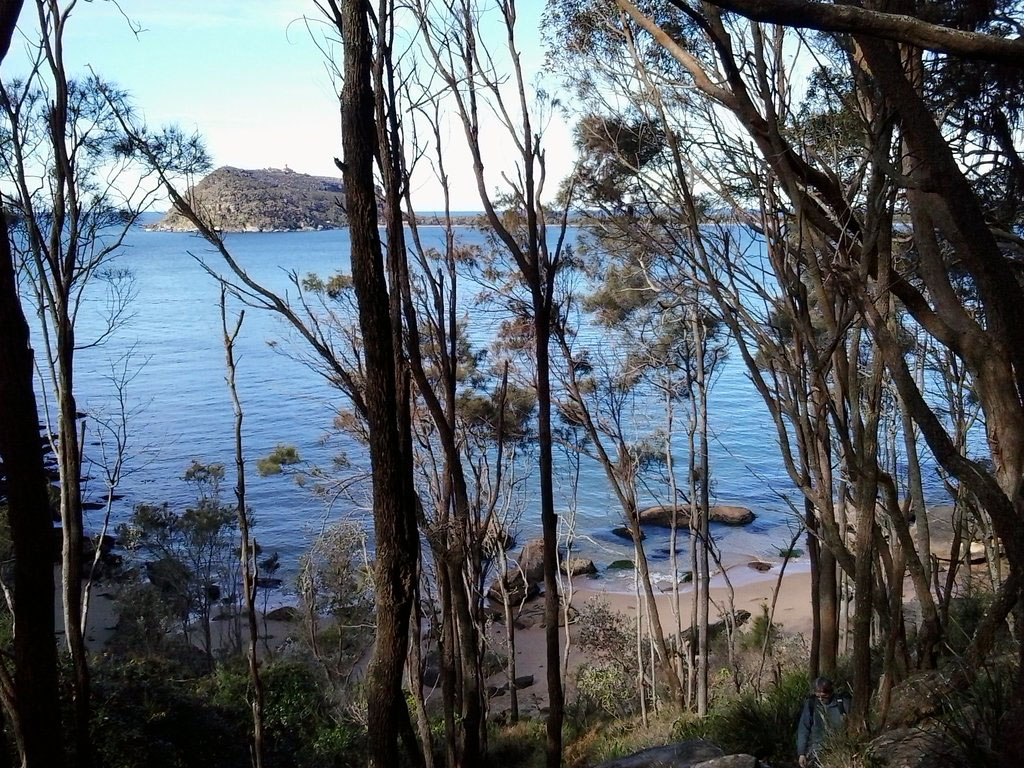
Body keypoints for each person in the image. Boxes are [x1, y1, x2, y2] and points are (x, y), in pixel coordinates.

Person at [795, 676, 848, 767]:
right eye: (818, 696)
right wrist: (802, 753)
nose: (821, 699)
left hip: (839, 750)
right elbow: (804, 729)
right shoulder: (811, 704)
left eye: (824, 696)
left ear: (831, 692)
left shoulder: (842, 703)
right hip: (816, 752)